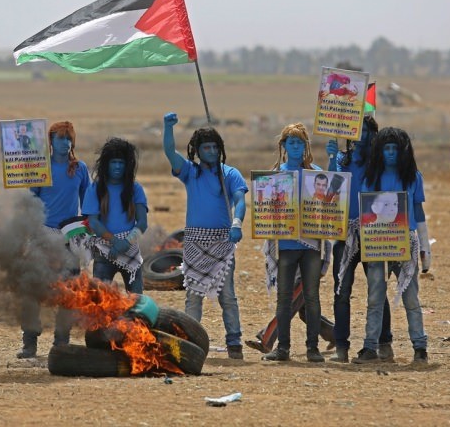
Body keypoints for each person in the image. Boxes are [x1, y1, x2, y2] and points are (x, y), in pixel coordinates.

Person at [162, 112, 248, 360]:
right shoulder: (191, 172)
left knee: (227, 296)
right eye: (205, 147)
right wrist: (168, 128)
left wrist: (236, 222)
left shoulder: (229, 174)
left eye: (214, 147)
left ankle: (234, 343)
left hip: (223, 240)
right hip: (195, 242)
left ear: (220, 149)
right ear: (197, 151)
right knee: (193, 296)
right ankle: (189, 341)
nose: (210, 151)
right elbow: (169, 152)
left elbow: (240, 200)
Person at [351, 127, 432, 365]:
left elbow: (418, 211)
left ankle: (420, 348)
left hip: (405, 242)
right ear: (379, 151)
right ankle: (369, 348)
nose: (390, 153)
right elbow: (367, 212)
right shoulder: (370, 178)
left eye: (394, 148)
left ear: (403, 151)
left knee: (411, 298)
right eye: (386, 148)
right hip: (376, 242)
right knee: (375, 296)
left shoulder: (413, 177)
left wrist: (426, 248)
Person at [17, 121, 90, 359]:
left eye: (69, 139)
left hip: (69, 235)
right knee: (33, 288)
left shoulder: (80, 169)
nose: (65, 143)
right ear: (51, 142)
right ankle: (29, 343)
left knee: (68, 292)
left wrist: (86, 233)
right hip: (42, 232)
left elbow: (87, 202)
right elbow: (30, 201)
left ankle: (61, 343)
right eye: (60, 138)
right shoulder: (40, 167)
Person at [260, 122, 330, 363]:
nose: (296, 147)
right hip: (287, 246)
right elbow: (267, 210)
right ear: (284, 146)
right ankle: (283, 348)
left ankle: (313, 348)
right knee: (284, 297)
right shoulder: (276, 175)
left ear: (306, 146)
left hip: (311, 246)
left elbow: (329, 207)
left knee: (312, 296)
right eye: (292, 142)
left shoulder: (317, 174)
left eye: (300, 143)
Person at [327, 115, 394, 363]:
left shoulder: (379, 163)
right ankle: (341, 347)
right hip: (345, 233)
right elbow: (333, 188)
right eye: (358, 130)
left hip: (374, 230)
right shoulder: (344, 160)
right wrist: (333, 158)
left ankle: (384, 343)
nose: (362, 135)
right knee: (341, 291)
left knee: (377, 290)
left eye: (366, 130)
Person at [83, 137, 148, 293]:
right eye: (113, 162)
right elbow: (94, 222)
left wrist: (125, 243)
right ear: (106, 165)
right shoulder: (96, 189)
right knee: (99, 299)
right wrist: (114, 242)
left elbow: (142, 223)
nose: (117, 167)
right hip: (104, 252)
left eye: (121, 162)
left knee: (137, 301)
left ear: (128, 165)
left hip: (131, 251)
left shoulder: (135, 189)